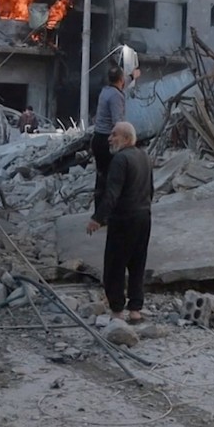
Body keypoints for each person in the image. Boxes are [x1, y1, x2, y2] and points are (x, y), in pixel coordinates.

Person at [86, 122, 153, 324]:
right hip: (144, 217)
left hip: (123, 219)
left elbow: (112, 194)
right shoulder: (144, 157)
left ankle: (117, 311)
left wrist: (97, 218)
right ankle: (135, 310)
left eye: (114, 135)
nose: (109, 138)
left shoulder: (120, 159)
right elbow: (151, 190)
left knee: (115, 266)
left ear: (126, 138)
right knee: (137, 264)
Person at [91, 66, 126, 213]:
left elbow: (120, 86)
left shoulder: (105, 91)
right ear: (121, 79)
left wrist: (132, 76)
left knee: (101, 177)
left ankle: (99, 213)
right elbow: (118, 123)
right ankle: (108, 213)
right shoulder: (116, 96)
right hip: (108, 141)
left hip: (98, 139)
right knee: (112, 178)